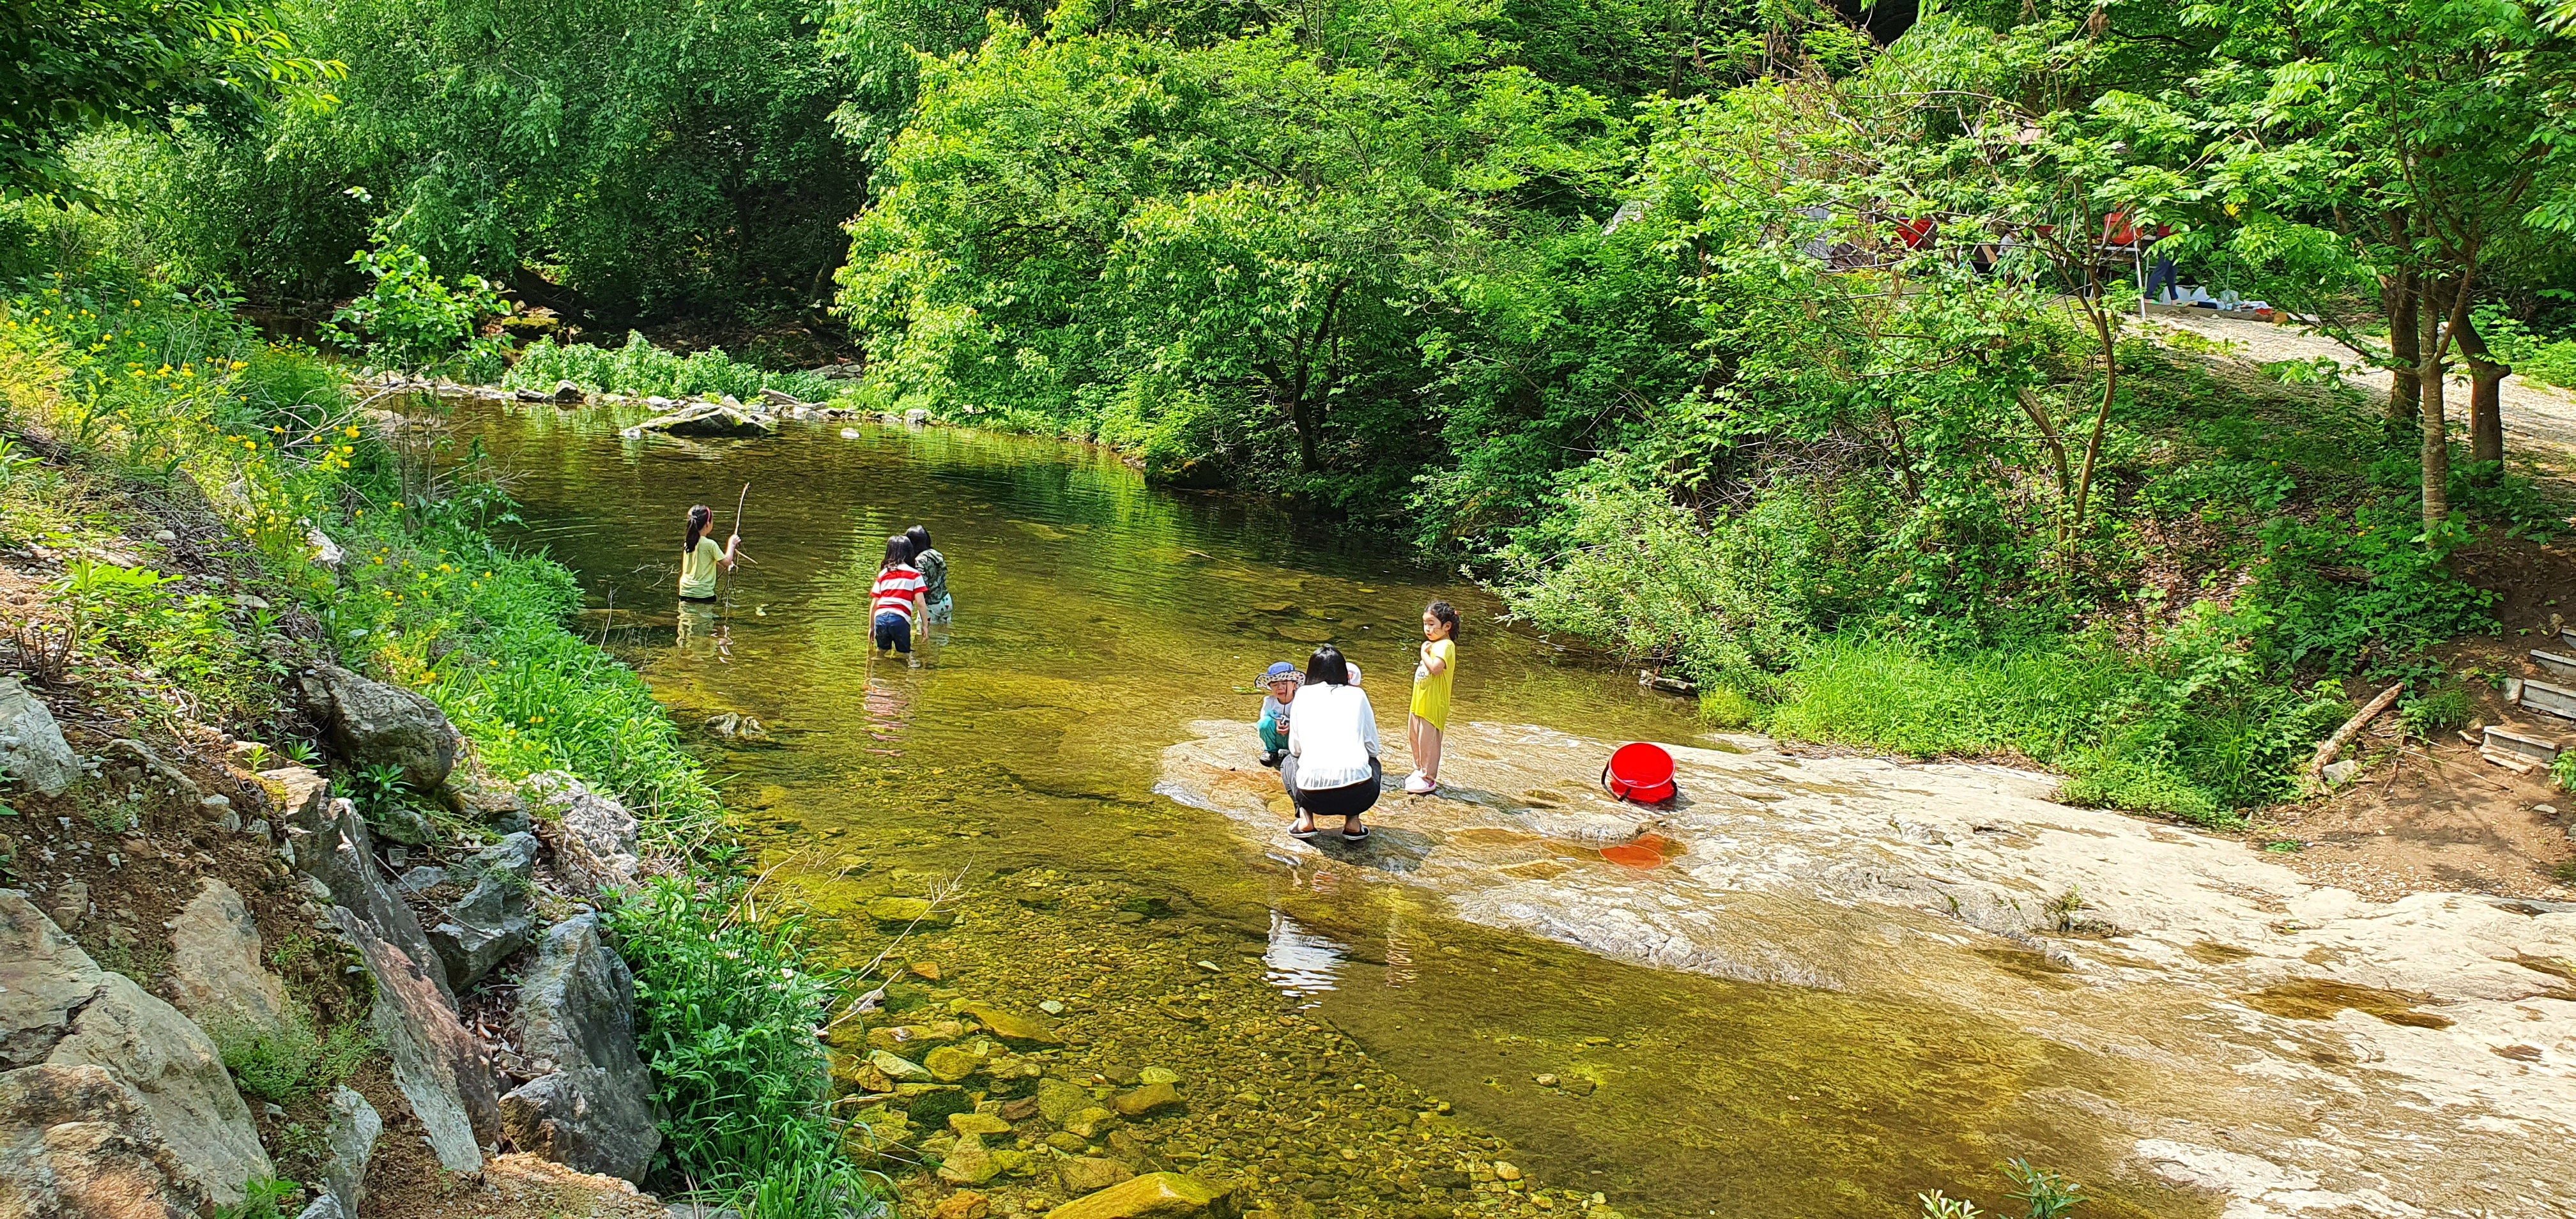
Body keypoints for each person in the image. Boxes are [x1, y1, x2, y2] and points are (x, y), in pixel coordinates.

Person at [1284, 645, 1380, 842]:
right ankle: (1353, 822)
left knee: (1288, 762)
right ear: (1343, 671)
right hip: (1359, 794)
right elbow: (1373, 749)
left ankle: (1305, 818)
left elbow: (1295, 749)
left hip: (1312, 796)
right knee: (1373, 762)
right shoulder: (1358, 695)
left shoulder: (1302, 695)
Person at [1406, 601, 1459, 795]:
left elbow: (1436, 669)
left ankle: (1428, 778)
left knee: (1428, 742)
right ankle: (1419, 769)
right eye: (1425, 624)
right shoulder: (1435, 644)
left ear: (1446, 626)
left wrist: (1423, 653)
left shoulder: (1446, 645)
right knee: (1415, 736)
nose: (1427, 629)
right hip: (1420, 702)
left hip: (1434, 705)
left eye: (1432, 624)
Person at [869, 535, 927, 660]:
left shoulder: (883, 574)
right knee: (904, 654)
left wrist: (871, 628)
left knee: (881, 651)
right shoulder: (915, 574)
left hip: (880, 619)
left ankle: (876, 668)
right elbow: (921, 603)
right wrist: (925, 626)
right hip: (900, 620)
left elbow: (875, 603)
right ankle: (899, 672)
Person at [677, 504, 739, 602]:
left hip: (685, 592)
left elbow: (702, 561)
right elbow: (727, 562)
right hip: (704, 595)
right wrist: (732, 543)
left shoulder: (688, 543)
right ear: (707, 524)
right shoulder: (711, 545)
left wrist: (718, 562)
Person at [904, 525, 953, 626]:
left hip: (931, 605)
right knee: (943, 631)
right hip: (946, 600)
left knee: (922, 631)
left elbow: (921, 586)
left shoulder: (919, 561)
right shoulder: (936, 554)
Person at [1255, 661, 1301, 767]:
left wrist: (1292, 725)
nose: (1280, 688)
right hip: (1277, 737)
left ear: (1294, 685)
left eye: (1284, 683)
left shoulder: (1300, 700)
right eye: (1275, 685)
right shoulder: (1269, 701)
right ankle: (1271, 751)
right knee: (1264, 723)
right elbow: (1264, 719)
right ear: (1270, 688)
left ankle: (1296, 752)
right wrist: (1276, 722)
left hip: (1293, 737)